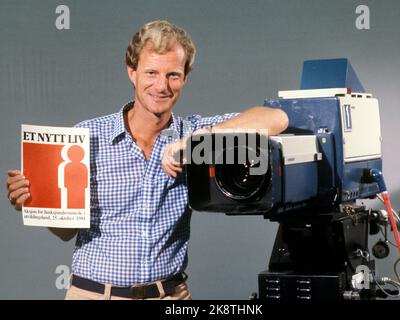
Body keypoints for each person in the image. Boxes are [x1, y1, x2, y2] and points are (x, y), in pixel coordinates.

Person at [6, 20, 288, 300]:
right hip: (94, 295)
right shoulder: (87, 136)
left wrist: (198, 142)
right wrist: (35, 202)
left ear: (185, 77)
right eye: (151, 72)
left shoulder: (194, 135)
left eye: (173, 75)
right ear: (133, 73)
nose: (161, 86)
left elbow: (276, 117)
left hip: (169, 296)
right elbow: (66, 232)